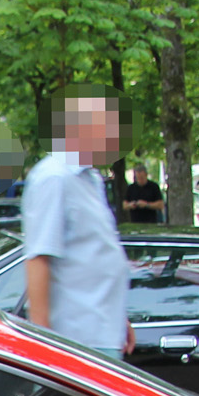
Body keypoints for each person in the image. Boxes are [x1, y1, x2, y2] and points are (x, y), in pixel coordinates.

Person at [20, 92, 132, 357]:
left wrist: (119, 320)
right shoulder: (54, 178)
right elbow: (38, 259)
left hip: (99, 333)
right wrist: (44, 345)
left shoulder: (90, 179)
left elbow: (95, 253)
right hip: (75, 343)